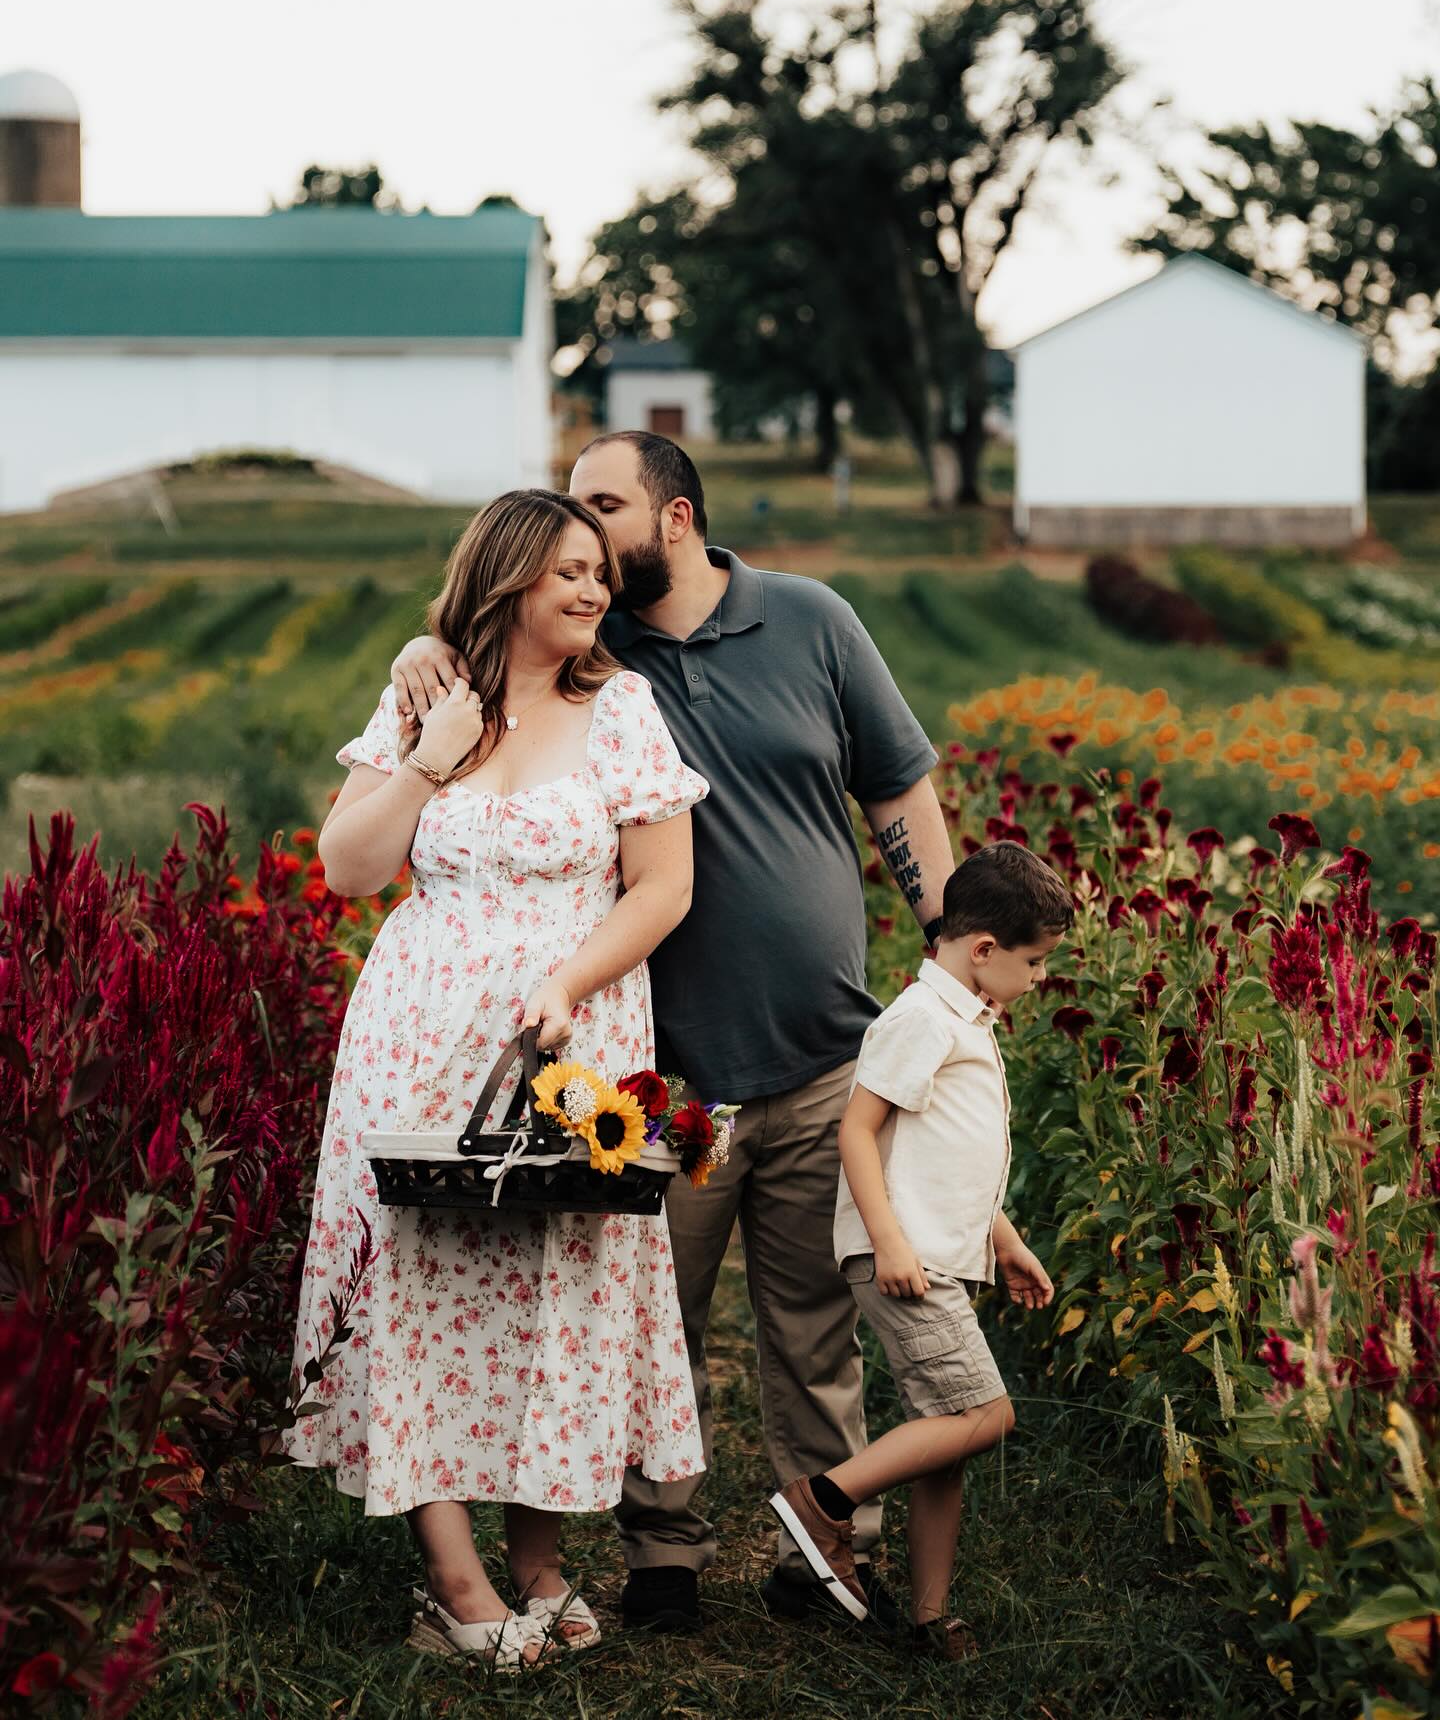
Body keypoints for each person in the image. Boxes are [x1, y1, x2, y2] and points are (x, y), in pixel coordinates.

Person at [390, 433, 956, 1631]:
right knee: (657, 1307)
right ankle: (663, 1555)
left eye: (602, 512)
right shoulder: (594, 654)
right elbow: (485, 646)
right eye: (565, 537)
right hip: (662, 1068)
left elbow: (898, 787)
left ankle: (819, 1545)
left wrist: (948, 968)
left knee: (814, 1324)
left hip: (820, 1047)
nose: (578, 545)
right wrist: (422, 648)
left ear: (678, 517)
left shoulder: (811, 620)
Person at [285, 488, 709, 1671]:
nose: (592, 590)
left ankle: (541, 1562)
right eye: (568, 571)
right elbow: (347, 870)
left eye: (599, 573)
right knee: (420, 1282)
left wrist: (570, 983)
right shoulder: (425, 693)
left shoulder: (621, 709)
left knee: (552, 1286)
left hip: (567, 1036)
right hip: (417, 1035)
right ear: (507, 575)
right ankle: (457, 1580)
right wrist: (422, 761)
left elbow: (662, 888)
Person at [769, 841, 1069, 1657]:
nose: (1039, 979)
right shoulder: (919, 1020)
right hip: (908, 1261)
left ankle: (931, 1616)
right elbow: (857, 1133)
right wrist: (892, 1243)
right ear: (983, 951)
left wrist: (1002, 1242)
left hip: (940, 1253)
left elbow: (948, 1154)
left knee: (948, 1433)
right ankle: (820, 1502)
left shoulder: (961, 1017)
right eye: (1035, 961)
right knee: (984, 1414)